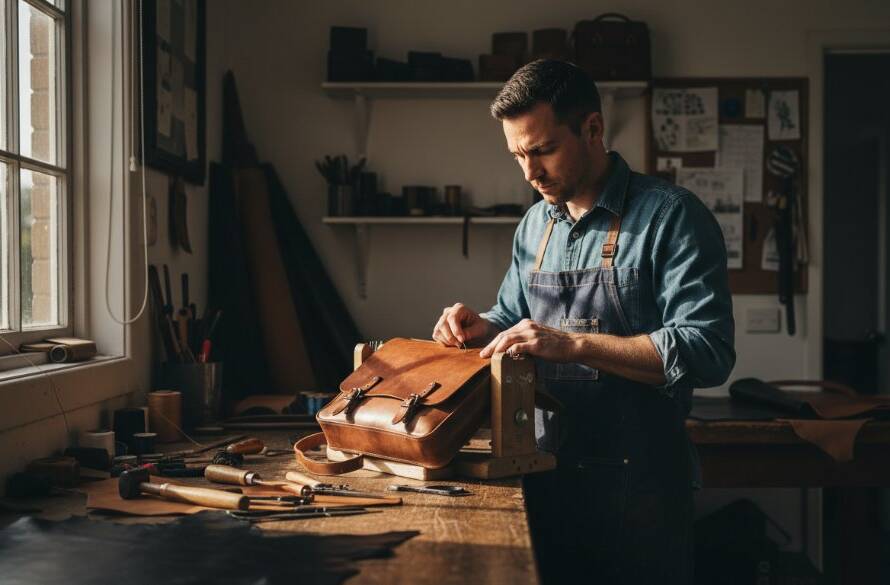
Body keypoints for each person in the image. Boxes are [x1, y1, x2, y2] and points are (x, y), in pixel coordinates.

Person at [431, 60, 735, 584]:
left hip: (640, 490)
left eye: (543, 149)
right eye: (517, 155)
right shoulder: (534, 225)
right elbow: (514, 317)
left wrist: (574, 345)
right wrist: (480, 326)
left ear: (592, 129)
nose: (529, 172)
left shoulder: (671, 217)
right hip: (543, 474)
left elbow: (707, 351)